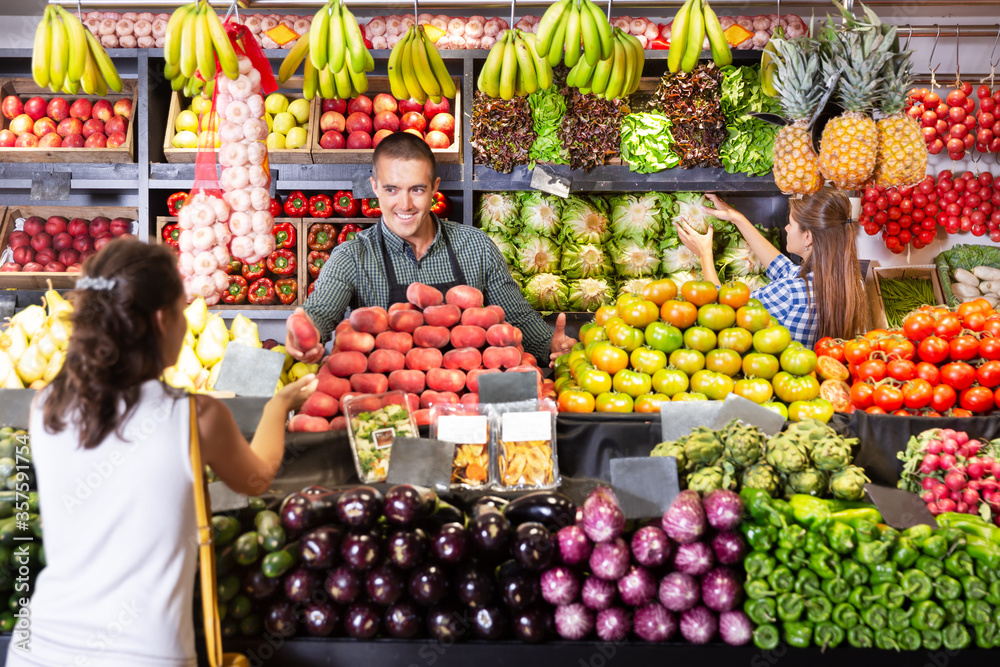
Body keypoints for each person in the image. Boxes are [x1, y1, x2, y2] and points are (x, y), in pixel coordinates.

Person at [7, 239, 316, 667]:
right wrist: (276, 408)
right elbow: (256, 477)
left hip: (39, 648)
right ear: (159, 320)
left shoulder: (47, 407)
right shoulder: (193, 415)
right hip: (146, 653)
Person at [285, 132, 576, 365]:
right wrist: (304, 335)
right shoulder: (352, 256)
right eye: (391, 189)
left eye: (417, 189)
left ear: (434, 187)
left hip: (462, 405)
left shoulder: (476, 247)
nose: (405, 204)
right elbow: (319, 314)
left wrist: (550, 344)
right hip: (389, 406)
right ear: (374, 187)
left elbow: (518, 316)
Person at [674, 186, 867, 348]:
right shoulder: (850, 281)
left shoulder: (790, 294)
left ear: (808, 236)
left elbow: (721, 313)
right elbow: (784, 269)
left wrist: (704, 254)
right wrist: (737, 218)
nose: (786, 229)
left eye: (790, 224)